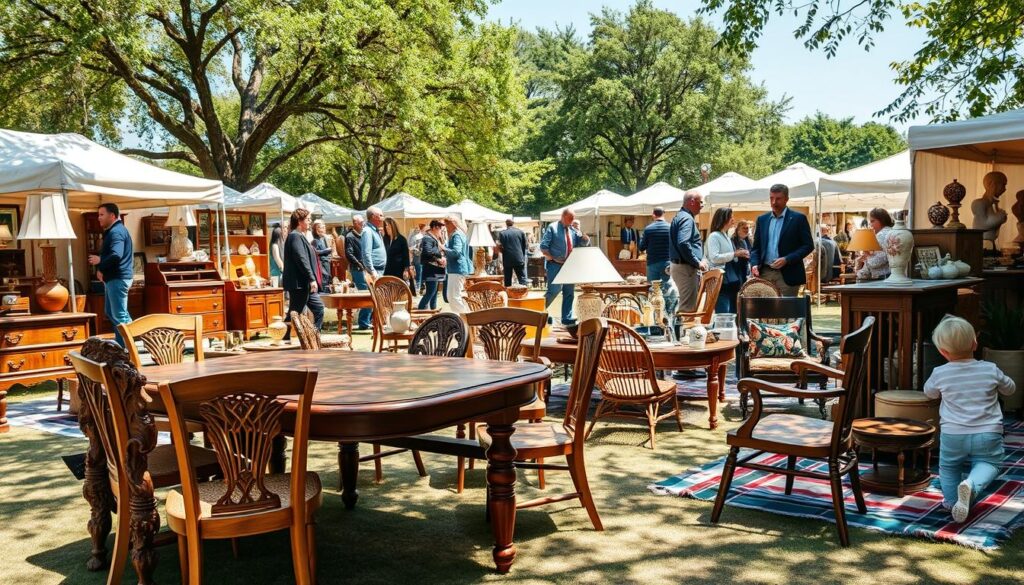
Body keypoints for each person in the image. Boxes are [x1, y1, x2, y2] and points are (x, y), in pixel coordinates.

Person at [924, 316, 1016, 523]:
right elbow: (1010, 389)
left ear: (942, 351)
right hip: (988, 432)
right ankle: (971, 484)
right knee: (990, 462)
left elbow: (929, 393)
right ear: (975, 343)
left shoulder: (940, 373)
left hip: (953, 434)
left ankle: (950, 501)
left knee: (949, 467)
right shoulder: (990, 369)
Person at [749, 184, 813, 296]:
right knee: (765, 311)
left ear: (786, 199)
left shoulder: (798, 219)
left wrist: (787, 259)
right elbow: (756, 248)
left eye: (778, 199)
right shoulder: (762, 220)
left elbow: (808, 245)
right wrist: (754, 264)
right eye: (771, 198)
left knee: (786, 311)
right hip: (765, 273)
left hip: (788, 274)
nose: (774, 202)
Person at [87, 203, 134, 346]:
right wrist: (102, 269)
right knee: (111, 312)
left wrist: (100, 260)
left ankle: (128, 349)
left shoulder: (116, 232)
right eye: (98, 214)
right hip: (113, 278)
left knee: (119, 315)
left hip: (118, 279)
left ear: (112, 216)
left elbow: (116, 254)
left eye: (101, 214)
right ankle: (123, 344)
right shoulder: (115, 231)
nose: (98, 218)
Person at [540, 208, 590, 324]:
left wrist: (583, 236)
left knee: (569, 292)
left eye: (573, 219)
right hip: (555, 265)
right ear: (563, 217)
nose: (572, 221)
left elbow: (583, 243)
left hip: (569, 265)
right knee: (554, 290)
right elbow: (543, 246)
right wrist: (551, 258)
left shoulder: (573, 229)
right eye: (570, 219)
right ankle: (538, 310)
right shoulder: (552, 227)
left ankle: (566, 318)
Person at [281, 208, 325, 338]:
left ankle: (314, 336)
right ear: (300, 221)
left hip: (304, 284)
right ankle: (284, 336)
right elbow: (301, 259)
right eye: (308, 219)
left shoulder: (300, 236)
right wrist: (312, 279)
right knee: (294, 312)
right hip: (300, 284)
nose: (310, 222)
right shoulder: (295, 236)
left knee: (318, 309)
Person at [704, 207, 749, 314]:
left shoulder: (725, 236)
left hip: (730, 280)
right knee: (723, 313)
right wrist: (735, 253)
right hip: (722, 281)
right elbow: (714, 258)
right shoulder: (714, 236)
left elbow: (731, 257)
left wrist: (739, 254)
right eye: (731, 217)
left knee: (731, 313)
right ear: (724, 219)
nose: (733, 219)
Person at [670, 192, 709, 312]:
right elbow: (683, 242)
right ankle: (684, 331)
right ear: (692, 201)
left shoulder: (681, 216)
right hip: (686, 269)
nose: (703, 205)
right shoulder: (687, 218)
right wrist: (697, 262)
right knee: (687, 310)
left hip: (681, 267)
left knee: (683, 307)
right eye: (701, 202)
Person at [638, 207, 678, 321]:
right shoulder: (671, 228)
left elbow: (641, 247)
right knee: (668, 289)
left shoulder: (648, 229)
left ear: (653, 215)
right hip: (668, 263)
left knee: (653, 291)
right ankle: (668, 315)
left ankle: (654, 318)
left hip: (653, 263)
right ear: (664, 214)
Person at [359, 206, 388, 328]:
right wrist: (372, 271)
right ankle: (364, 322)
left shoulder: (375, 230)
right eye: (380, 215)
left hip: (381, 269)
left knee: (378, 298)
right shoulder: (367, 231)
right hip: (375, 270)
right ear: (373, 217)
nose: (382, 218)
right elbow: (366, 253)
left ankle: (372, 322)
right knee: (373, 298)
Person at [443, 215, 473, 313]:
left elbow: (456, 252)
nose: (445, 226)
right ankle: (462, 317)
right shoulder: (458, 234)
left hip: (457, 268)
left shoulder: (456, 235)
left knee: (454, 296)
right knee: (452, 296)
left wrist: (443, 248)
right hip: (456, 269)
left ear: (453, 223)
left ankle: (465, 318)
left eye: (446, 223)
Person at [344, 215, 370, 330]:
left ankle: (366, 321)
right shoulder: (350, 236)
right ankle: (363, 322)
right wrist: (359, 264)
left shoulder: (364, 234)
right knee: (366, 295)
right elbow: (349, 254)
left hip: (366, 268)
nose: (362, 224)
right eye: (360, 223)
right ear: (355, 223)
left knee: (369, 295)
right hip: (358, 269)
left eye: (363, 222)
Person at [854, 208, 894, 280]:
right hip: (887, 278)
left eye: (872, 221)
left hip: (883, 280)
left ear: (882, 220)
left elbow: (875, 262)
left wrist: (867, 255)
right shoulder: (891, 232)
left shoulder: (881, 235)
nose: (870, 224)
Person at [418, 220, 447, 310]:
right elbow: (427, 252)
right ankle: (421, 310)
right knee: (431, 291)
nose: (441, 230)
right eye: (440, 228)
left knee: (434, 292)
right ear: (434, 227)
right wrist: (438, 259)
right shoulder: (427, 238)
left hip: (435, 268)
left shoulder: (434, 238)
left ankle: (433, 310)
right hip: (431, 269)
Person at [497, 218, 528, 287]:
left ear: (506, 224)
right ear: (513, 223)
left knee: (508, 279)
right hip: (519, 257)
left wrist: (503, 252)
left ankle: (508, 294)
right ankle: (524, 292)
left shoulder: (502, 233)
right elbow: (525, 245)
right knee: (522, 278)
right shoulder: (520, 232)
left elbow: (499, 246)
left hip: (507, 258)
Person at [382, 217, 411, 283]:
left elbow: (406, 256)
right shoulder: (385, 239)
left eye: (388, 225)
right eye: (385, 225)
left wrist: (406, 270)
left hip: (398, 270)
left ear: (393, 226)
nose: (386, 227)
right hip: (387, 269)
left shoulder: (402, 239)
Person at [311, 220, 333, 292]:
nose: (324, 229)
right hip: (321, 265)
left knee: (328, 281)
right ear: (317, 229)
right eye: (322, 228)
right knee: (324, 282)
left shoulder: (323, 239)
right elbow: (314, 252)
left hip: (326, 264)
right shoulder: (315, 241)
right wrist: (326, 251)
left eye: (324, 227)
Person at [409, 223, 427, 293]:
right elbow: (411, 247)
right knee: (419, 271)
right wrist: (417, 249)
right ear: (422, 228)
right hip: (418, 256)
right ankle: (418, 286)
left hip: (422, 256)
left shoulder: (424, 236)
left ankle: (421, 286)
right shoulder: (417, 237)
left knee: (421, 271)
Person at [269, 224, 286, 288]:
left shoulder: (273, 245)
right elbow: (277, 259)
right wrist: (284, 270)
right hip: (277, 274)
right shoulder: (275, 245)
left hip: (275, 273)